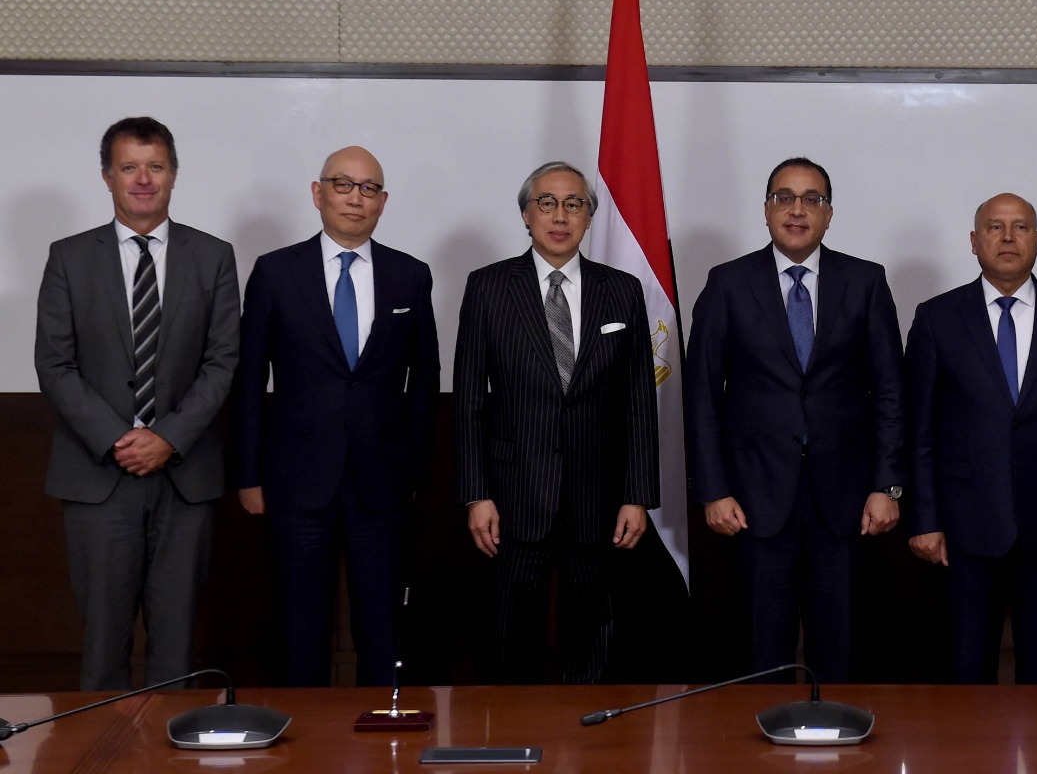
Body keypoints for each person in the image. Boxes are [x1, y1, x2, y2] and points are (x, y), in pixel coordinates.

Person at [35, 116, 240, 691]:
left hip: (185, 477)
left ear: (173, 174)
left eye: (156, 167)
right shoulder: (69, 257)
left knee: (177, 649)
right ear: (108, 176)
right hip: (98, 476)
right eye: (130, 167)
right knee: (103, 645)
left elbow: (223, 360)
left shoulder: (213, 256)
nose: (143, 179)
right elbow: (55, 364)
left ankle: (170, 743)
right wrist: (119, 440)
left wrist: (167, 437)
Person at [684, 157, 904, 683]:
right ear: (766, 210)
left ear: (829, 213)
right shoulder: (728, 283)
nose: (797, 210)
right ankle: (764, 735)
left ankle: (838, 733)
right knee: (763, 646)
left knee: (841, 645)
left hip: (846, 498)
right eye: (784, 198)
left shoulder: (866, 281)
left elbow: (891, 392)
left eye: (812, 199)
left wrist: (887, 487)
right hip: (753, 497)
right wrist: (713, 490)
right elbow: (701, 394)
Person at [233, 146, 439, 686]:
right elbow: (249, 381)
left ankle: (381, 730)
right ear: (317, 193)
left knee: (383, 628)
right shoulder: (276, 272)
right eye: (343, 184)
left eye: (369, 188)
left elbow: (424, 384)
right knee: (301, 629)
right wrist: (248, 476)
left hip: (384, 484)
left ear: (383, 202)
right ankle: (304, 733)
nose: (355, 198)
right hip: (297, 482)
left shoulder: (410, 276)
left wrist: (417, 475)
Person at [455, 161, 659, 683]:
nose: (560, 216)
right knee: (510, 639)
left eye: (574, 204)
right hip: (513, 496)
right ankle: (512, 731)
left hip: (598, 498)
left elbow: (638, 401)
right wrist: (476, 494)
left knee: (593, 640)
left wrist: (637, 495)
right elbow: (469, 402)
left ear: (589, 216)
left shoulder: (622, 290)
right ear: (526, 214)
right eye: (546, 203)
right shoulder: (488, 287)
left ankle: (584, 731)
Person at [904, 193, 1037, 683]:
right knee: (966, 674)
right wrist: (924, 519)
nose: (1007, 237)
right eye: (994, 227)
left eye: (1020, 227)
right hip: (963, 530)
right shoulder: (937, 318)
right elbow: (920, 431)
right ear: (974, 241)